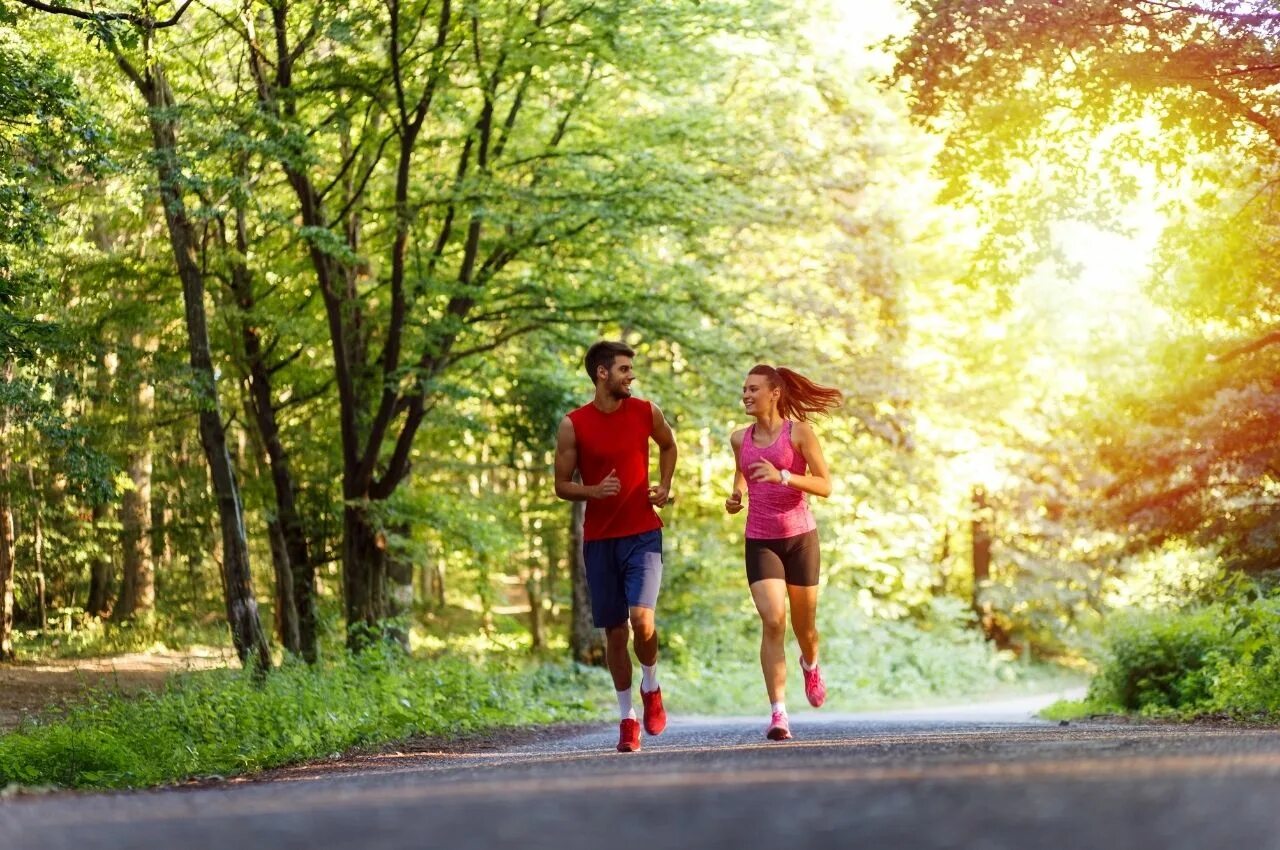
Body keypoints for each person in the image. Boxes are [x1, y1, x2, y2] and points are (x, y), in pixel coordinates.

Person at [555, 340, 677, 753]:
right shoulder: (574, 424)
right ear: (602, 373)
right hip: (600, 540)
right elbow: (561, 485)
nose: (632, 376)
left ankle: (652, 686)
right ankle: (627, 718)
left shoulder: (645, 411)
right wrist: (593, 490)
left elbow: (669, 444)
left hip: (643, 532)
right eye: (624, 369)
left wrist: (664, 485)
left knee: (643, 621)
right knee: (613, 631)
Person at [725, 364, 841, 740]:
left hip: (800, 538)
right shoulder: (739, 438)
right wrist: (738, 493)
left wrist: (784, 476)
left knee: (804, 628)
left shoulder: (800, 433)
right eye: (744, 388)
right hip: (760, 539)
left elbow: (825, 485)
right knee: (774, 620)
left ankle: (811, 663)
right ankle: (779, 714)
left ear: (774, 392)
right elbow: (744, 469)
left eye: (753, 388)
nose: (746, 394)